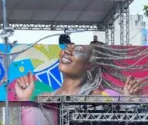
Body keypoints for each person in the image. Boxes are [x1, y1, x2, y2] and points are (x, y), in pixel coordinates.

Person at [13, 42, 148, 100]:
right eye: (67, 47)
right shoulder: (45, 97)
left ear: (90, 66)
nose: (66, 51)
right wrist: (24, 98)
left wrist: (130, 101)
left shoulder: (96, 98)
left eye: (77, 50)